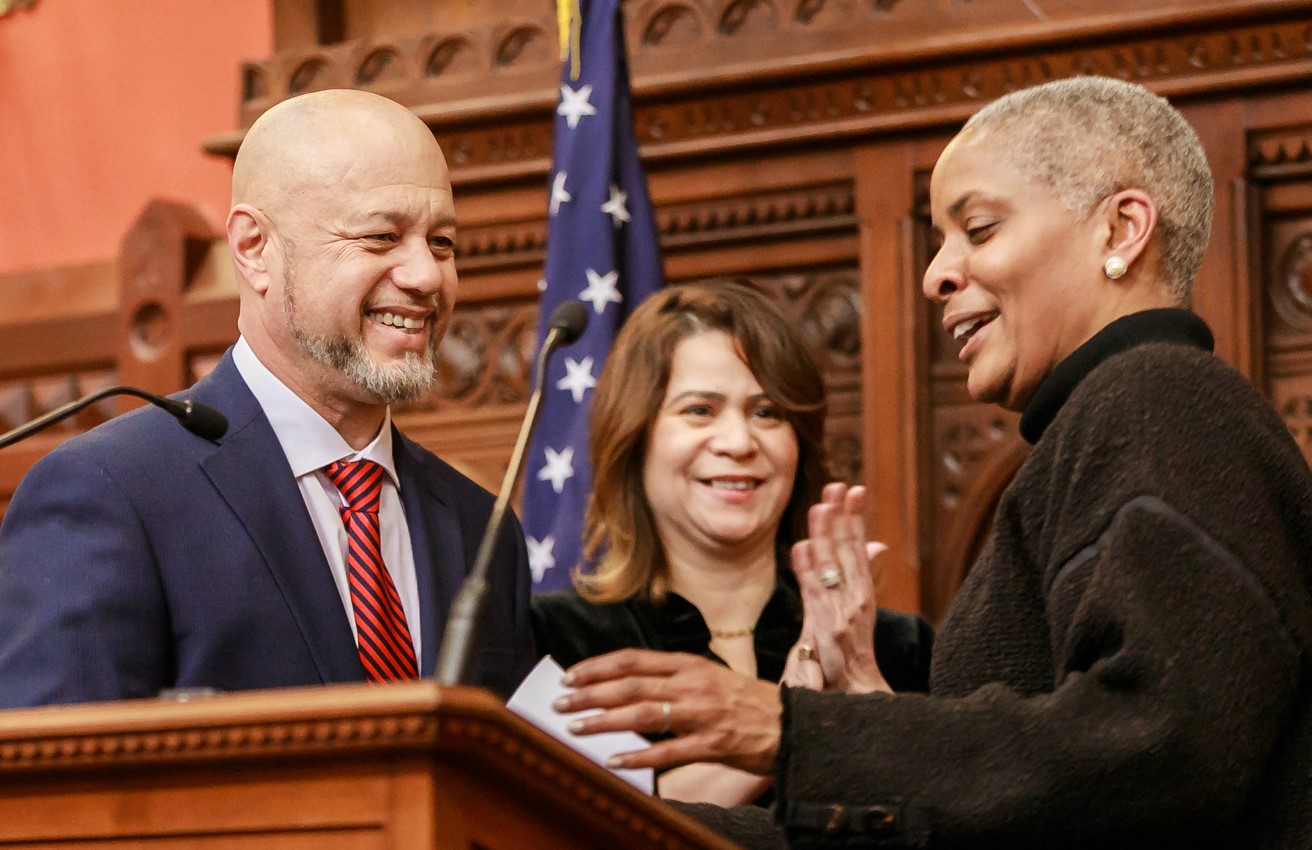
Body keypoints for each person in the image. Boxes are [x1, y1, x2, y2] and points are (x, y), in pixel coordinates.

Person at [550, 77, 1312, 847]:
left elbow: (1160, 749)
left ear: (1121, 230)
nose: (935, 274)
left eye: (977, 229)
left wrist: (790, 727)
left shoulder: (1158, 395)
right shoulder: (1104, 423)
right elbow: (1035, 800)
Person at [0, 90, 535, 706]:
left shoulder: (481, 529)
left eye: (442, 244)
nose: (425, 276)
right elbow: (60, 791)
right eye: (381, 237)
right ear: (255, 249)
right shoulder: (110, 495)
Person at [531, 282, 933, 805]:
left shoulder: (896, 648)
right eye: (699, 410)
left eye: (767, 412)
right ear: (636, 438)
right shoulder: (559, 644)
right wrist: (801, 716)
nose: (739, 443)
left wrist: (856, 690)